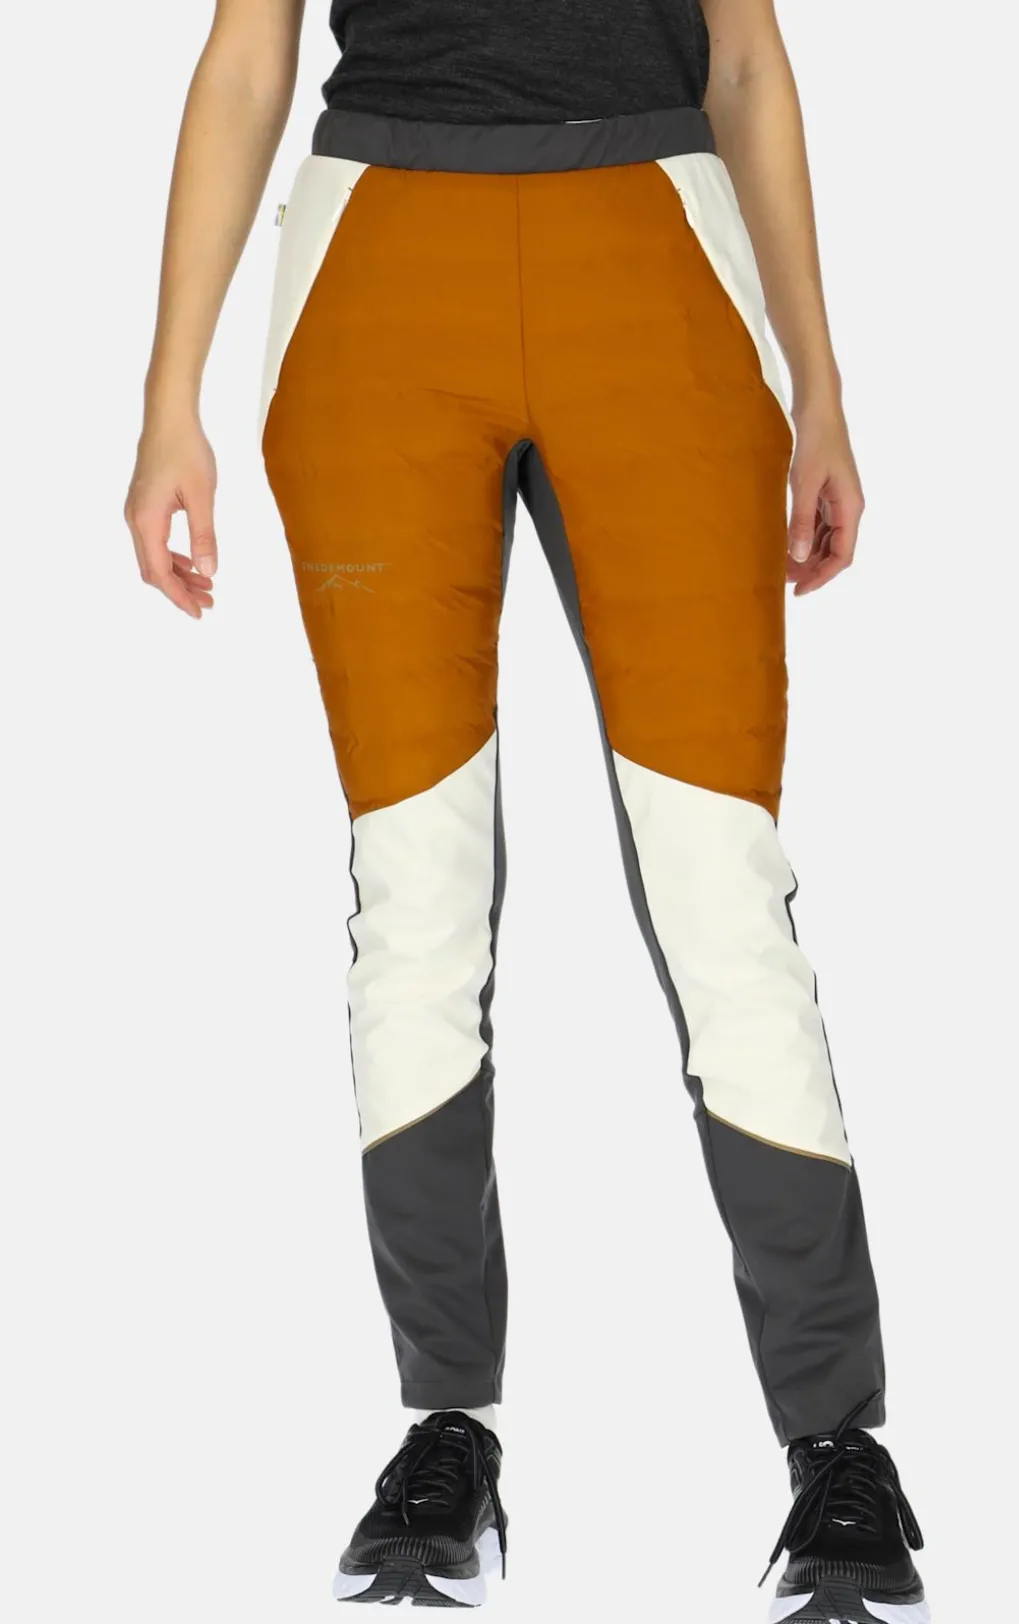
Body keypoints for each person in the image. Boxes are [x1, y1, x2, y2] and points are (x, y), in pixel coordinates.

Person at [124, 2, 929, 1618]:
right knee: (412, 879)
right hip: (377, 272)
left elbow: (745, 59)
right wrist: (168, 400)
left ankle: (838, 1445)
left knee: (720, 879)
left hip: (655, 258)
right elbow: (247, 57)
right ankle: (448, 1432)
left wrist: (822, 385)